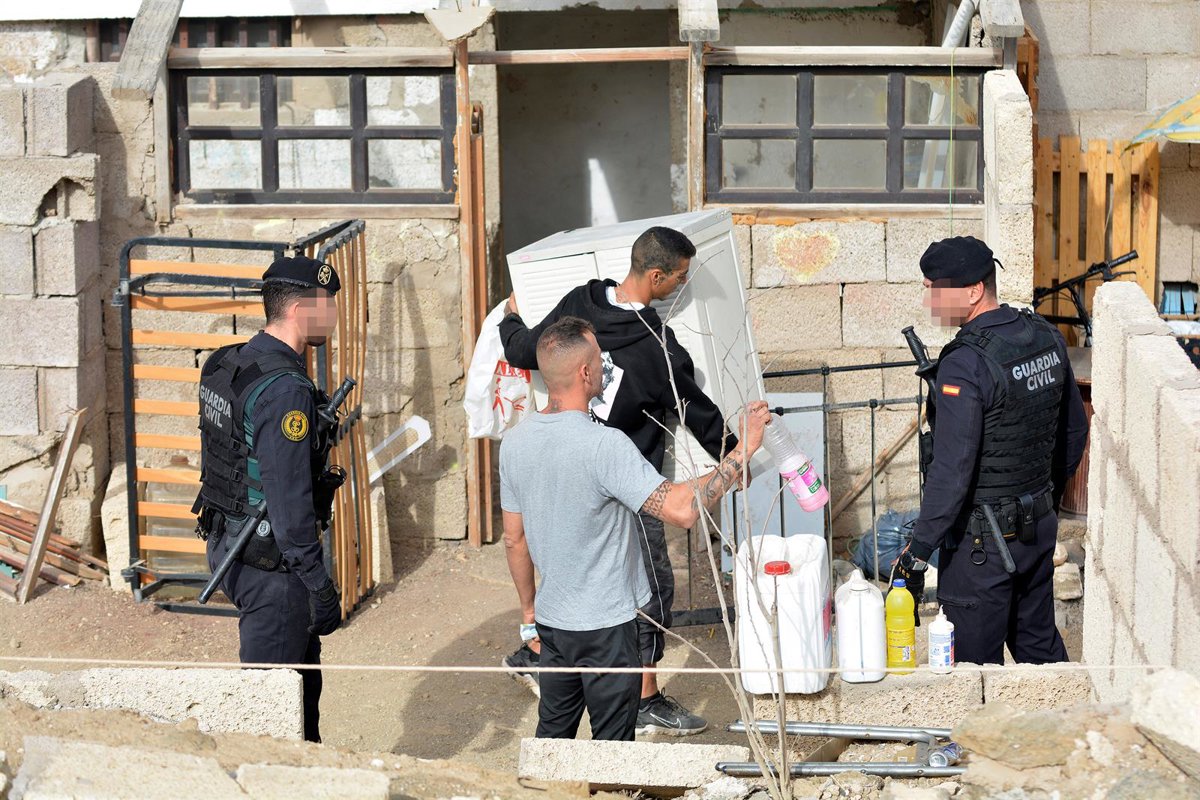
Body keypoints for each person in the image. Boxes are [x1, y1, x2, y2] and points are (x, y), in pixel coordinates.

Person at [498, 226, 736, 736]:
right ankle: (642, 698)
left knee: (568, 576)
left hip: (565, 478)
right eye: (680, 276)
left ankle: (543, 654)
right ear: (657, 276)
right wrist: (739, 453)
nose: (683, 284)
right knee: (649, 591)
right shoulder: (658, 346)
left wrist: (510, 317)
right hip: (632, 486)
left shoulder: (579, 304)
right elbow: (698, 412)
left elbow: (524, 349)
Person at [892, 236, 1089, 665]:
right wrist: (1041, 499)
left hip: (982, 545)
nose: (928, 301)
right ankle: (1061, 712)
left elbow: (952, 472)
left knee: (972, 673)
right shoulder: (1045, 335)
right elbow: (1074, 432)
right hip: (1036, 528)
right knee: (1040, 653)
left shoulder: (964, 364)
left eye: (935, 290)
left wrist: (917, 551)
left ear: (973, 291)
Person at [194, 255, 345, 742]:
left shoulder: (228, 362)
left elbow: (233, 459)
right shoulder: (285, 392)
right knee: (271, 719)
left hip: (228, 543)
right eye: (328, 305)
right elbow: (290, 506)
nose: (335, 315)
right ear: (300, 310)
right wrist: (319, 585)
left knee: (300, 693)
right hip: (272, 569)